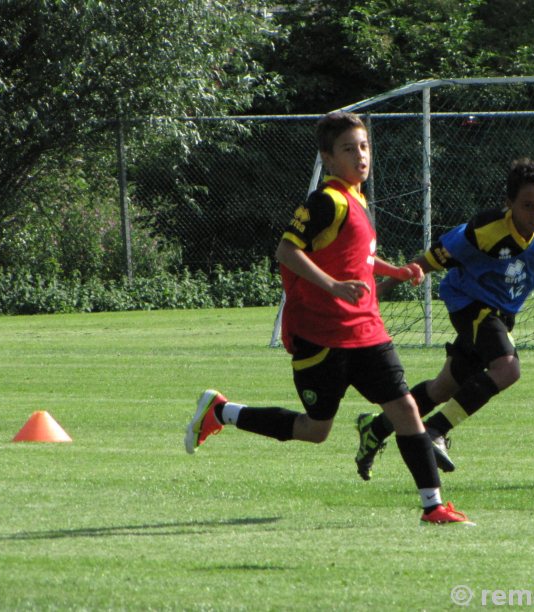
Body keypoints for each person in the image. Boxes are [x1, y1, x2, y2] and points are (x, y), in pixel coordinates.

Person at [184, 111, 474, 526]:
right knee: (316, 430)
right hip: (321, 336)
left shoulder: (357, 198)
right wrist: (334, 287)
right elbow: (287, 251)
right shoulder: (326, 201)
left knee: (406, 410)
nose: (361, 156)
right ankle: (221, 412)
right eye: (349, 149)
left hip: (366, 330)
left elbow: (358, 257)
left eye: (364, 146)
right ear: (328, 158)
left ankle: (433, 507)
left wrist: (393, 271)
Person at [354, 157, 534, 480]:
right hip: (468, 303)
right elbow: (429, 259)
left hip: (502, 313)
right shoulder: (484, 231)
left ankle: (375, 427)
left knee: (444, 387)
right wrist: (382, 287)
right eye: (527, 206)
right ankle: (436, 429)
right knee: (507, 368)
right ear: (509, 204)